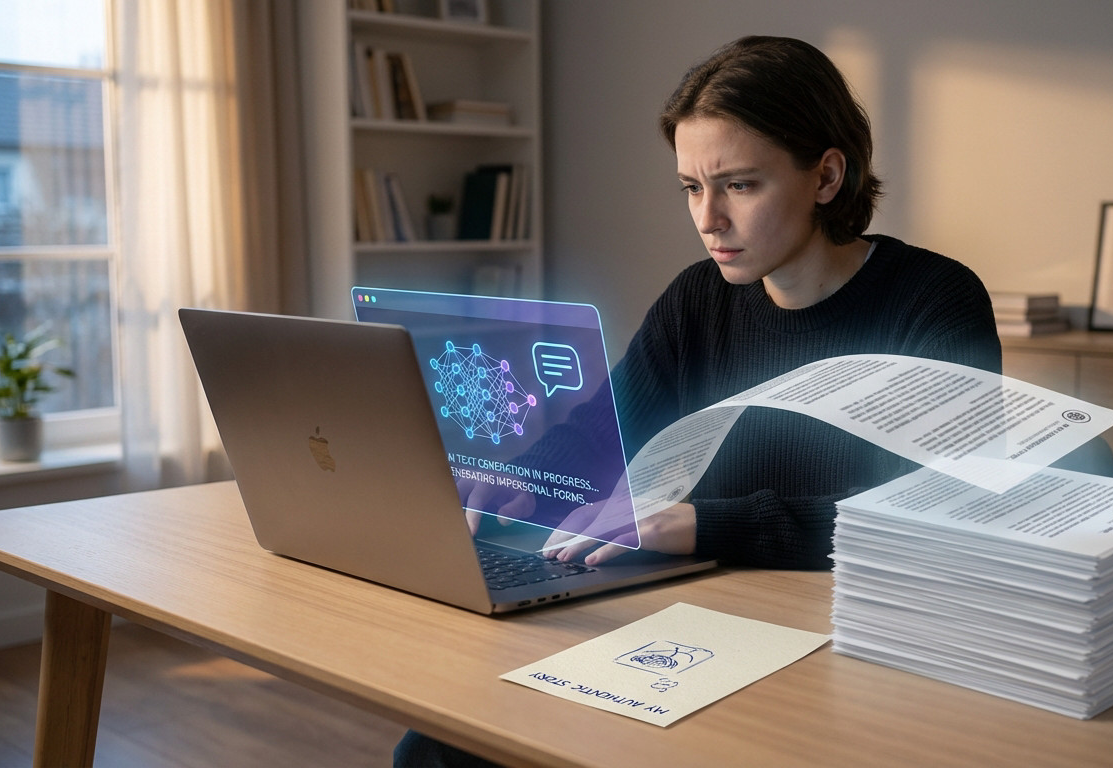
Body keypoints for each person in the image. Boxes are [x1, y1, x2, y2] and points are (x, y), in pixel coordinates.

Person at [393, 35, 1000, 767]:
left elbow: (931, 518)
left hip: (856, 645)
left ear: (827, 176)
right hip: (698, 629)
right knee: (435, 748)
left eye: (739, 185)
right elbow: (601, 430)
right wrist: (523, 478)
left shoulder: (934, 301)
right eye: (691, 187)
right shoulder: (698, 298)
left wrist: (700, 524)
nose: (708, 218)